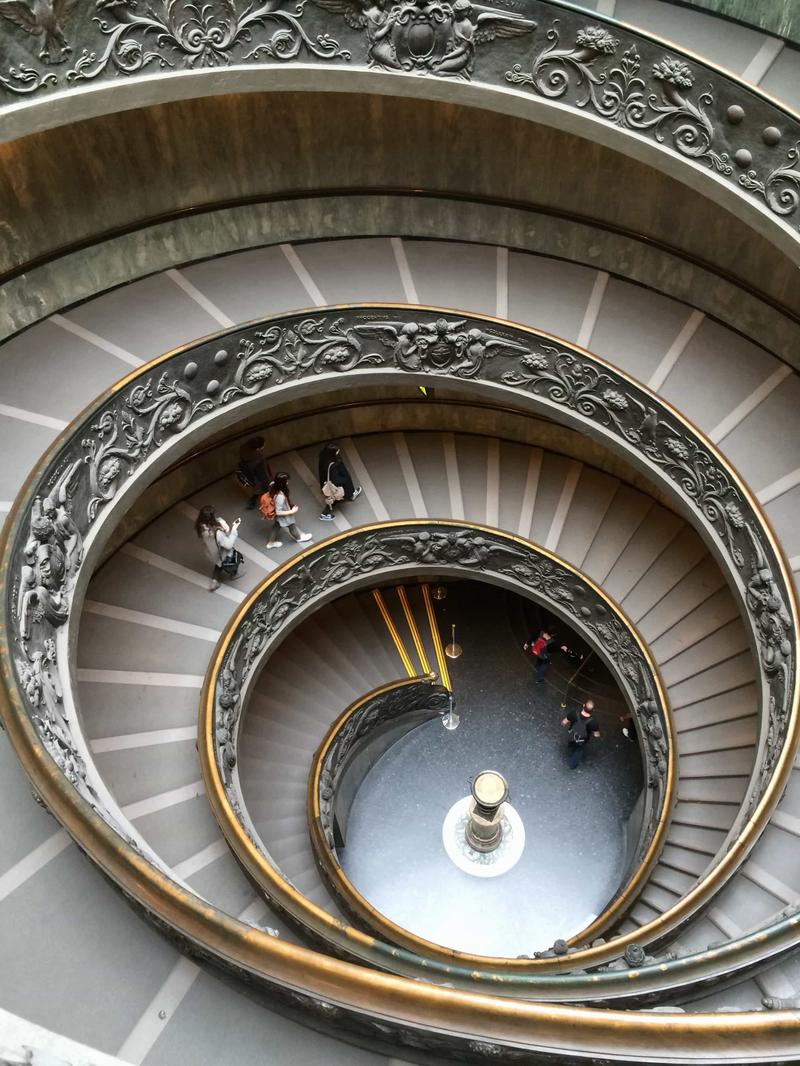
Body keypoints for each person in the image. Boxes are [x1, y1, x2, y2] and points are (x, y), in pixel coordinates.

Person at [195, 505, 244, 591]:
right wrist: (234, 530)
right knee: (233, 559)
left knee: (218, 563)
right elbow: (228, 544)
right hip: (221, 552)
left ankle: (214, 581)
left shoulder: (201, 527)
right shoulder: (216, 532)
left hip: (211, 551)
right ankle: (234, 574)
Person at [318, 442, 362, 521]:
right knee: (334, 497)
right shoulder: (333, 465)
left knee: (335, 496)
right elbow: (336, 480)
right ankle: (324, 514)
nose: (338, 452)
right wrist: (345, 481)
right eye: (337, 451)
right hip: (335, 483)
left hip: (327, 479)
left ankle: (350, 495)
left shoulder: (324, 456)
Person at [269, 472, 312, 547]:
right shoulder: (280, 496)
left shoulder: (273, 485)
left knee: (276, 526)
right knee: (292, 525)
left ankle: (270, 543)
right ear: (282, 484)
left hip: (280, 515)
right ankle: (299, 538)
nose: (288, 482)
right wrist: (292, 511)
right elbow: (278, 512)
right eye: (286, 481)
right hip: (284, 514)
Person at [561, 700, 601, 769]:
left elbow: (564, 722)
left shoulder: (574, 713)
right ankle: (572, 765)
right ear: (593, 710)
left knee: (572, 740)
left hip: (572, 734)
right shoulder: (594, 722)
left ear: (583, 705)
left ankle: (570, 745)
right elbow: (596, 735)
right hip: (582, 740)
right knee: (579, 751)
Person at [236, 437, 273, 509]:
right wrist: (268, 488)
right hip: (256, 476)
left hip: (246, 472)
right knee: (259, 488)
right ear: (258, 448)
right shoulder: (259, 459)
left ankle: (253, 500)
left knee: (255, 488)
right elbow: (264, 476)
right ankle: (262, 503)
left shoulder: (243, 448)